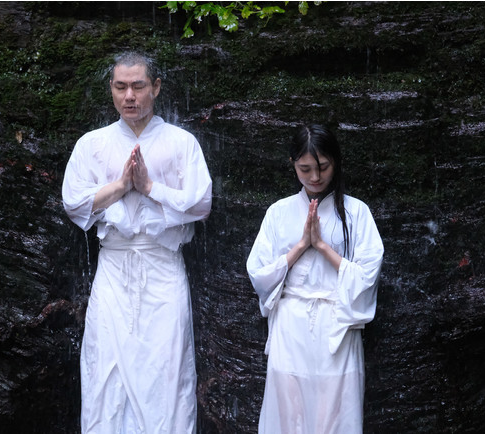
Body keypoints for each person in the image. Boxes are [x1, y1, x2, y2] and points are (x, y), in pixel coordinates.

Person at [62, 51, 212, 434]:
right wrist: (120, 187)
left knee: (167, 371)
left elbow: (201, 203)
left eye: (138, 86)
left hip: (163, 266)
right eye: (121, 87)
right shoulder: (92, 143)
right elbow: (73, 202)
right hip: (113, 268)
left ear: (156, 88)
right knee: (104, 368)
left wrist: (149, 188)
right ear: (111, 90)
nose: (129, 96)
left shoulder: (181, 142)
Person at [246, 124, 383, 434]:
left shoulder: (357, 212)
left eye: (323, 167)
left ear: (336, 162)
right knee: (288, 413)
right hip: (291, 327)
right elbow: (259, 274)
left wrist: (322, 246)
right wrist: (300, 247)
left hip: (337, 326)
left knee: (335, 415)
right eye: (305, 169)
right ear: (293, 164)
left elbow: (367, 275)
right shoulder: (278, 212)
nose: (315, 177)